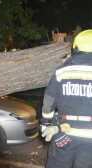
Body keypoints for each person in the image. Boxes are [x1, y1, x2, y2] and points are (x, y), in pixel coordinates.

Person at [41, 29, 92, 168]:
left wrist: (48, 125)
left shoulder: (62, 72)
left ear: (75, 47)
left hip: (64, 134)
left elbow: (48, 104)